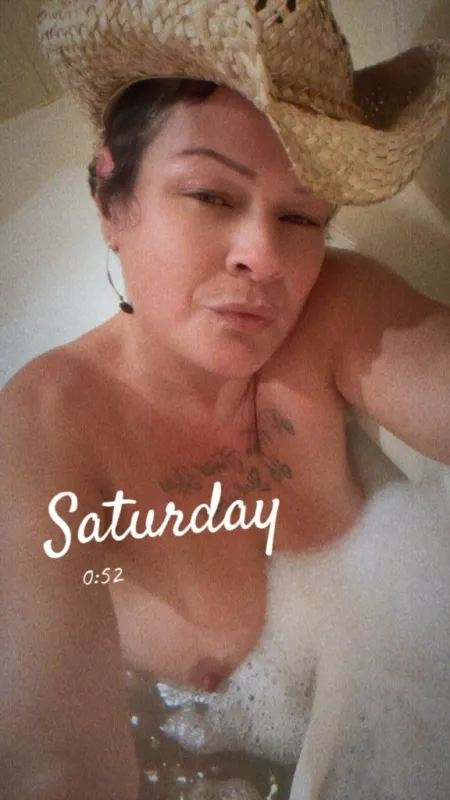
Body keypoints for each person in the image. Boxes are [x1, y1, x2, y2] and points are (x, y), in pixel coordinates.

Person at [1, 1, 449, 798]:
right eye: (211, 195)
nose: (264, 257)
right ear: (111, 200)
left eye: (301, 215)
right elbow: (53, 766)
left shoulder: (331, 311)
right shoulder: (46, 430)